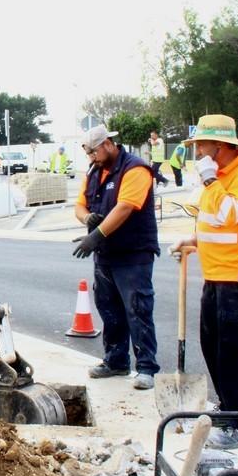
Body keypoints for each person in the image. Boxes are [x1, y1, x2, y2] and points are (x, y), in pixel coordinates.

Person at [169, 115, 238, 449]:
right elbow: (213, 225)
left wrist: (211, 181)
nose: (196, 152)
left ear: (220, 146)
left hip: (237, 278)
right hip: (216, 276)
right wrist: (191, 241)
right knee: (212, 346)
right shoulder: (221, 177)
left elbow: (230, 216)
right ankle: (229, 406)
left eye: (201, 145)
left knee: (233, 352)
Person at [72, 126, 160, 390]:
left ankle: (146, 367)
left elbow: (124, 208)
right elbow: (79, 205)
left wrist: (95, 235)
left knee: (138, 309)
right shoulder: (94, 172)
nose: (92, 159)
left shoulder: (135, 169)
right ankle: (116, 361)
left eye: (95, 152)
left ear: (108, 144)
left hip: (133, 254)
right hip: (106, 255)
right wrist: (87, 218)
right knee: (109, 309)